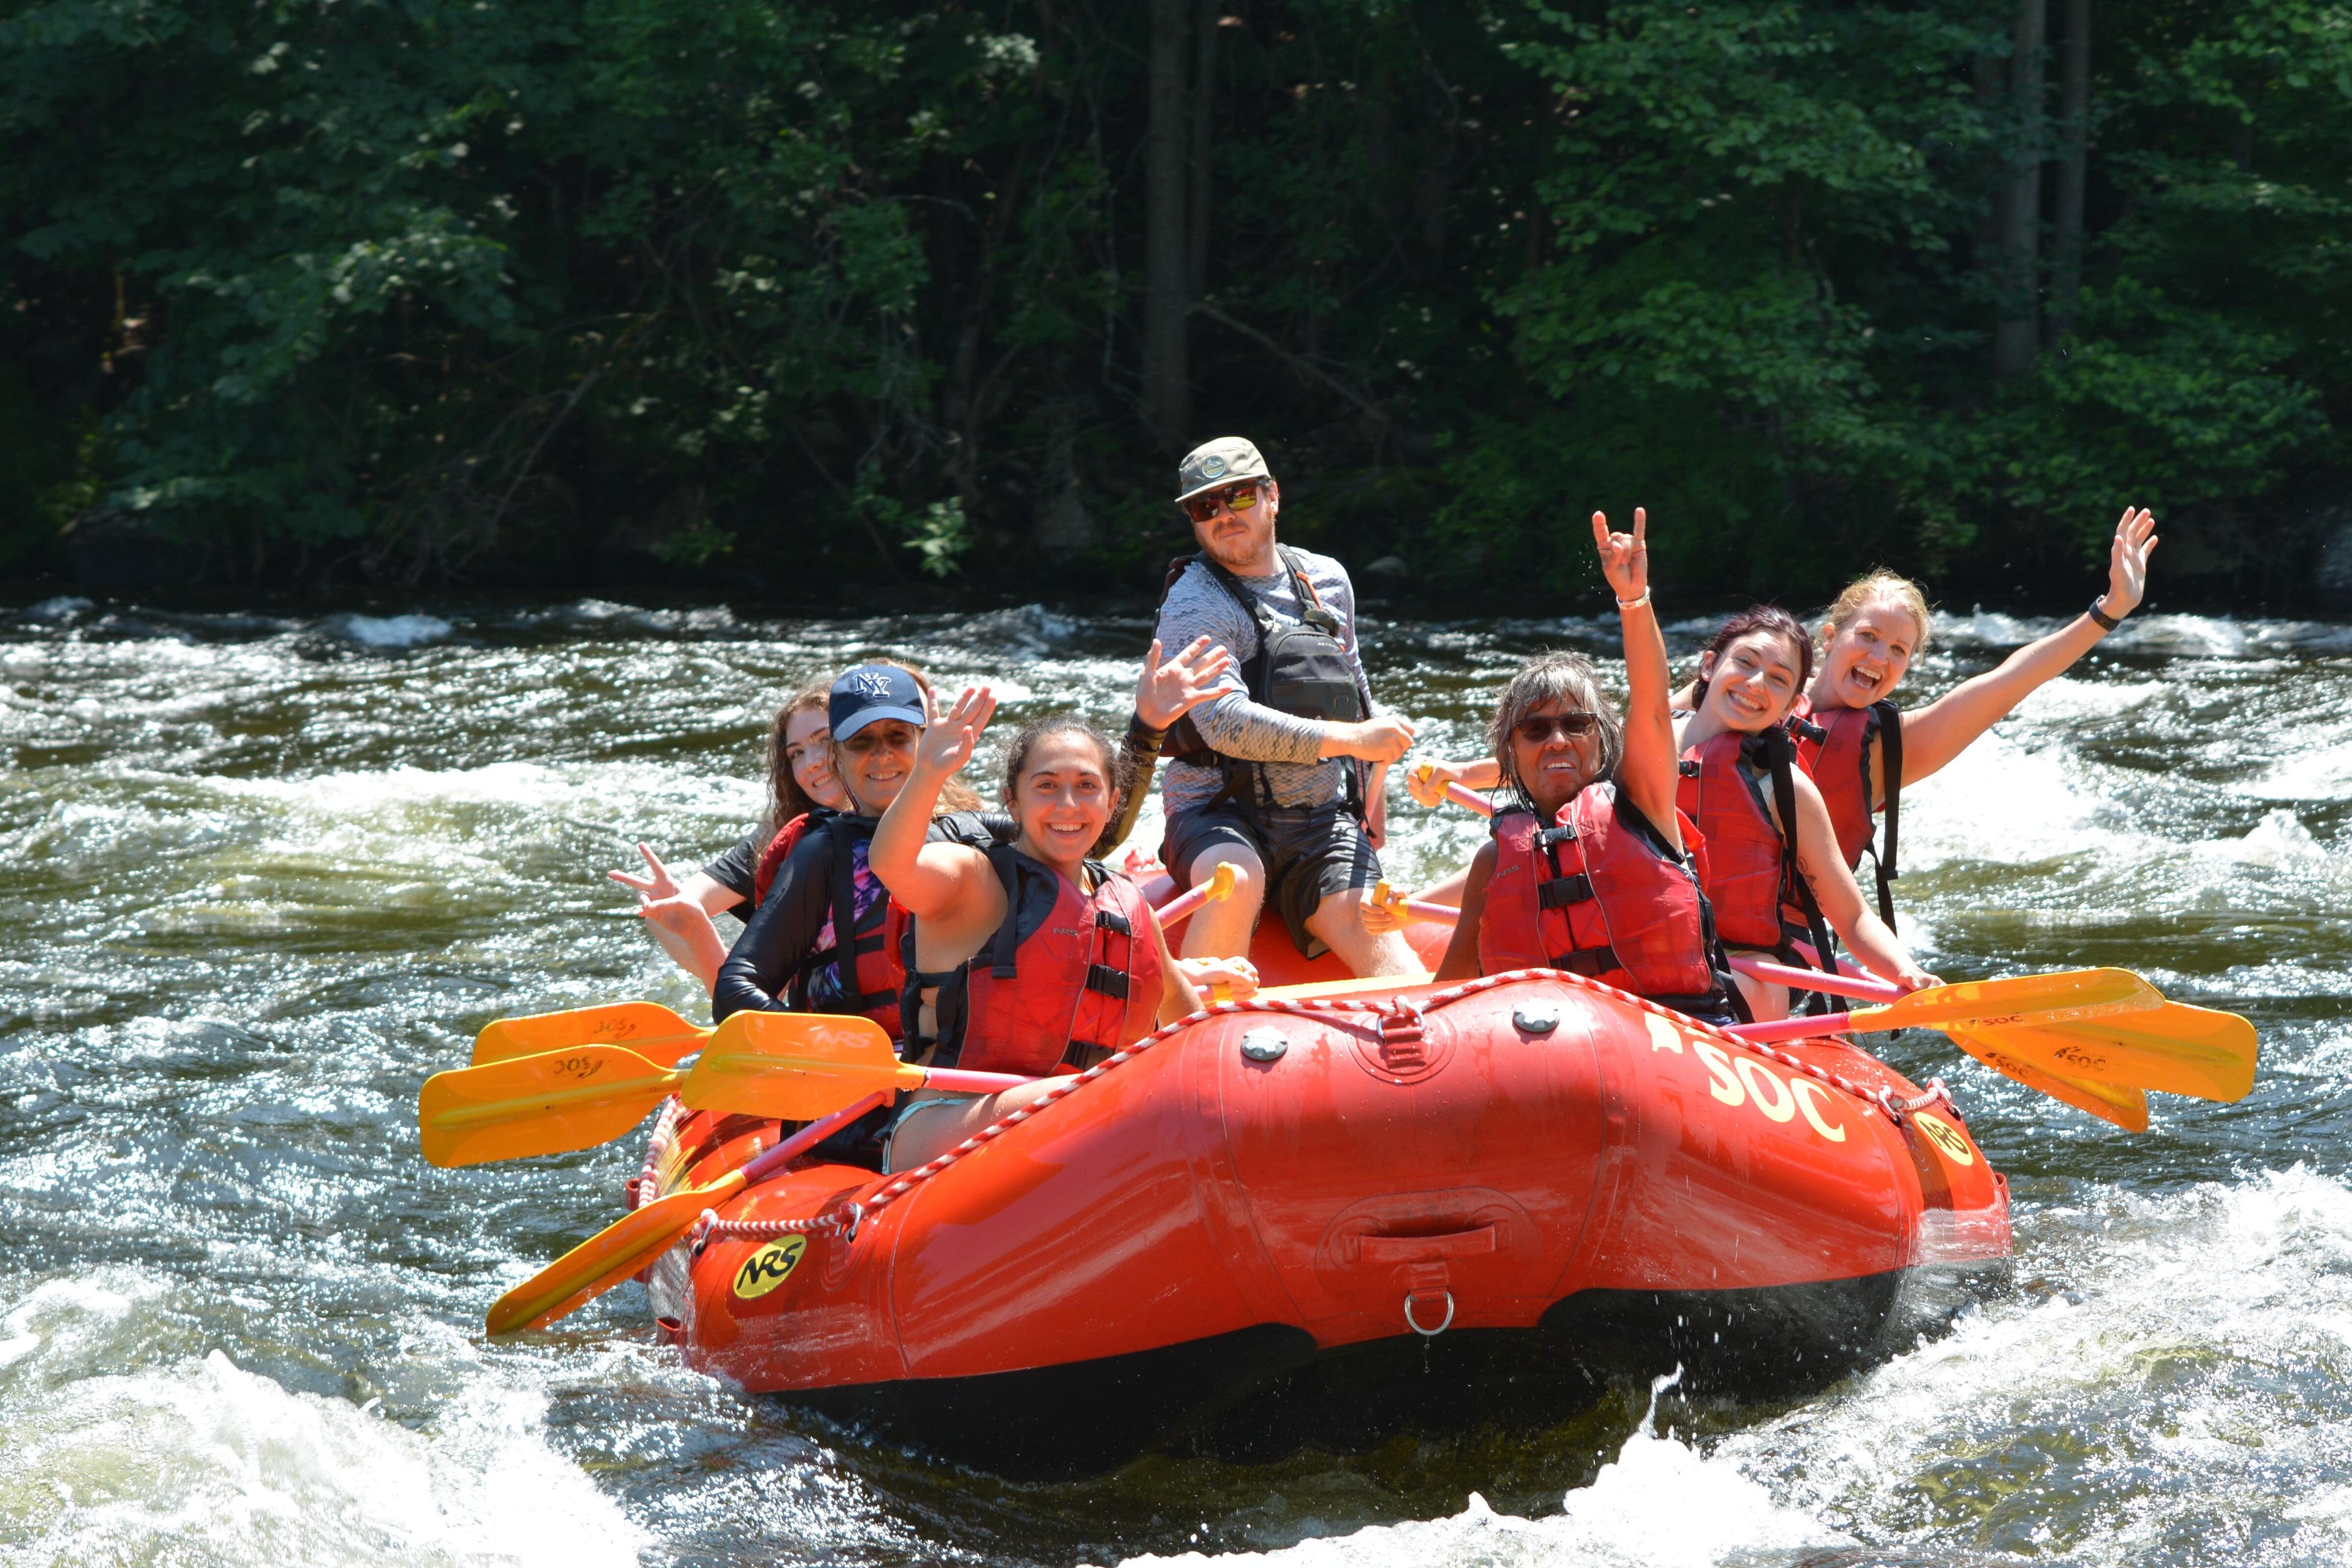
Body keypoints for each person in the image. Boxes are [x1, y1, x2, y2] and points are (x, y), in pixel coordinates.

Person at [868, 689, 1203, 1173]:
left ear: (1112, 803)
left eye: (1087, 786)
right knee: (1109, 1092)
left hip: (1087, 1133)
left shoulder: (1131, 908)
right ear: (1013, 801)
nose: (1068, 804)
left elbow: (1187, 1031)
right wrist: (927, 773)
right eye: (1046, 785)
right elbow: (892, 866)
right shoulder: (975, 880)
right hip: (946, 1127)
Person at [1427, 511, 1739, 1023]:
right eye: (1535, 730)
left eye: (1576, 724)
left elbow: (1653, 705)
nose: (1557, 741)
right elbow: (1450, 993)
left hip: (1678, 1035)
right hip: (1551, 1050)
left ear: (1603, 739)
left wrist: (1633, 599)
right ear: (1511, 752)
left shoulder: (1645, 806)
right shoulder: (1495, 861)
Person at [1788, 507, 2158, 923]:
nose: (1879, 657)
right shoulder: (1754, 689)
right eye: (1868, 636)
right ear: (1830, 637)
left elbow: (2012, 680)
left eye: (1898, 650)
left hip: (1781, 945)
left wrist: (2110, 609)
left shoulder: (1894, 747)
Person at [1150, 435, 1419, 978]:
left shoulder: (1326, 581)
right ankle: (1188, 1022)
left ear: (1273, 496)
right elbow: (1223, 722)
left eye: (1240, 497)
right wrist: (1350, 742)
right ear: (1195, 521)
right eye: (1207, 507)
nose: (1225, 515)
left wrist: (1372, 797)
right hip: (1215, 814)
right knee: (1238, 877)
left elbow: (1355, 687)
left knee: (1399, 971)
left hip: (1321, 822)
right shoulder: (1194, 601)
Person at [1673, 608, 1940, 1020]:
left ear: (1791, 706)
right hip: (1644, 954)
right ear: (1710, 666)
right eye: (1745, 662)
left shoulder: (1786, 788)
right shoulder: (1636, 745)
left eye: (1779, 679)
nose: (1756, 683)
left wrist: (1907, 971)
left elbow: (1852, 917)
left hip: (1743, 971)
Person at [609, 677, 850, 990]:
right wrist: (672, 911)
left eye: (824, 741)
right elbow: (683, 905)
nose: (812, 762)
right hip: (821, 1024)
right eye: (796, 754)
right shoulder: (782, 838)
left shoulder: (918, 824)